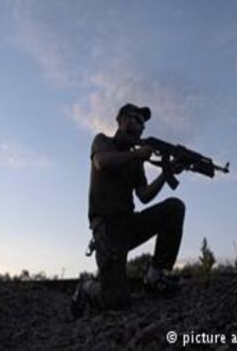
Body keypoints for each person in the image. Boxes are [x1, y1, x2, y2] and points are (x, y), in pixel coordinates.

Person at [71, 103, 186, 318]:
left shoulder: (137, 160)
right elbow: (101, 162)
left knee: (174, 208)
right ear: (121, 119)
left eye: (143, 124)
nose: (141, 126)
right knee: (117, 301)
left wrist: (166, 172)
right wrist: (136, 156)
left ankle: (155, 276)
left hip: (129, 224)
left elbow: (143, 196)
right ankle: (86, 287)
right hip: (107, 230)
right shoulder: (102, 141)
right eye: (137, 119)